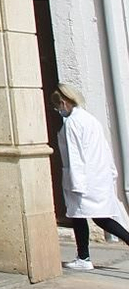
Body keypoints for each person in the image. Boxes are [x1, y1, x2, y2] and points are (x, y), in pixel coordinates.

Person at [54, 85, 129, 269]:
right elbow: (104, 148)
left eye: (57, 107)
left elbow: (75, 156)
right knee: (88, 216)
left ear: (63, 103)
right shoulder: (90, 119)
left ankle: (84, 258)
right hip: (98, 177)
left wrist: (76, 184)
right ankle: (83, 256)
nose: (58, 111)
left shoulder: (72, 123)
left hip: (85, 180)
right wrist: (111, 173)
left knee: (88, 217)